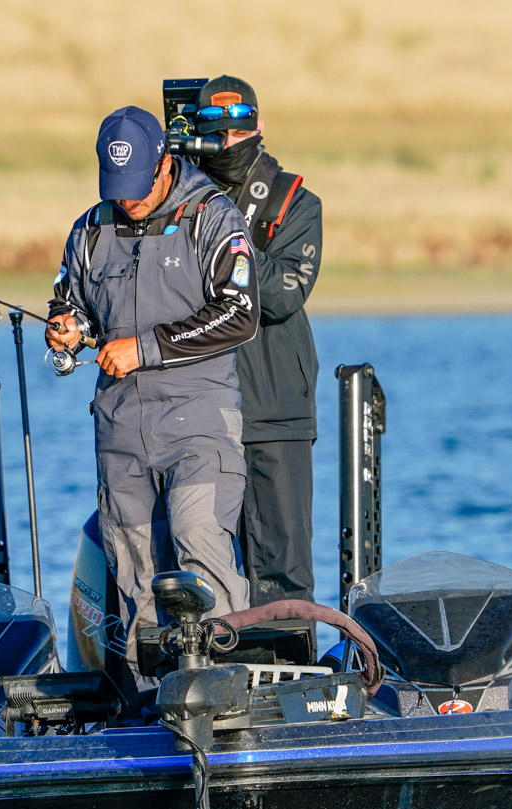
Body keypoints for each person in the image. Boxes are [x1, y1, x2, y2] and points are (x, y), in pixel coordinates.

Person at [46, 105, 259, 683]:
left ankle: (224, 690)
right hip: (120, 432)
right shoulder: (90, 229)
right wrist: (67, 328)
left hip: (199, 422)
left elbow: (240, 314)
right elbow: (72, 301)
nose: (129, 200)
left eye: (138, 186)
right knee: (134, 570)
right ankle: (148, 700)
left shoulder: (212, 217)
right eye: (118, 188)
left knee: (198, 545)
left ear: (165, 164)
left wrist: (146, 349)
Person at [195, 76, 322, 606]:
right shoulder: (177, 199)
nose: (227, 144)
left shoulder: (296, 201)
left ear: (260, 127)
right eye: (215, 134)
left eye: (238, 132)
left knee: (282, 573)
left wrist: (226, 237)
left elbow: (284, 295)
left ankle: (286, 652)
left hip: (275, 407)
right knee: (198, 569)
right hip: (195, 410)